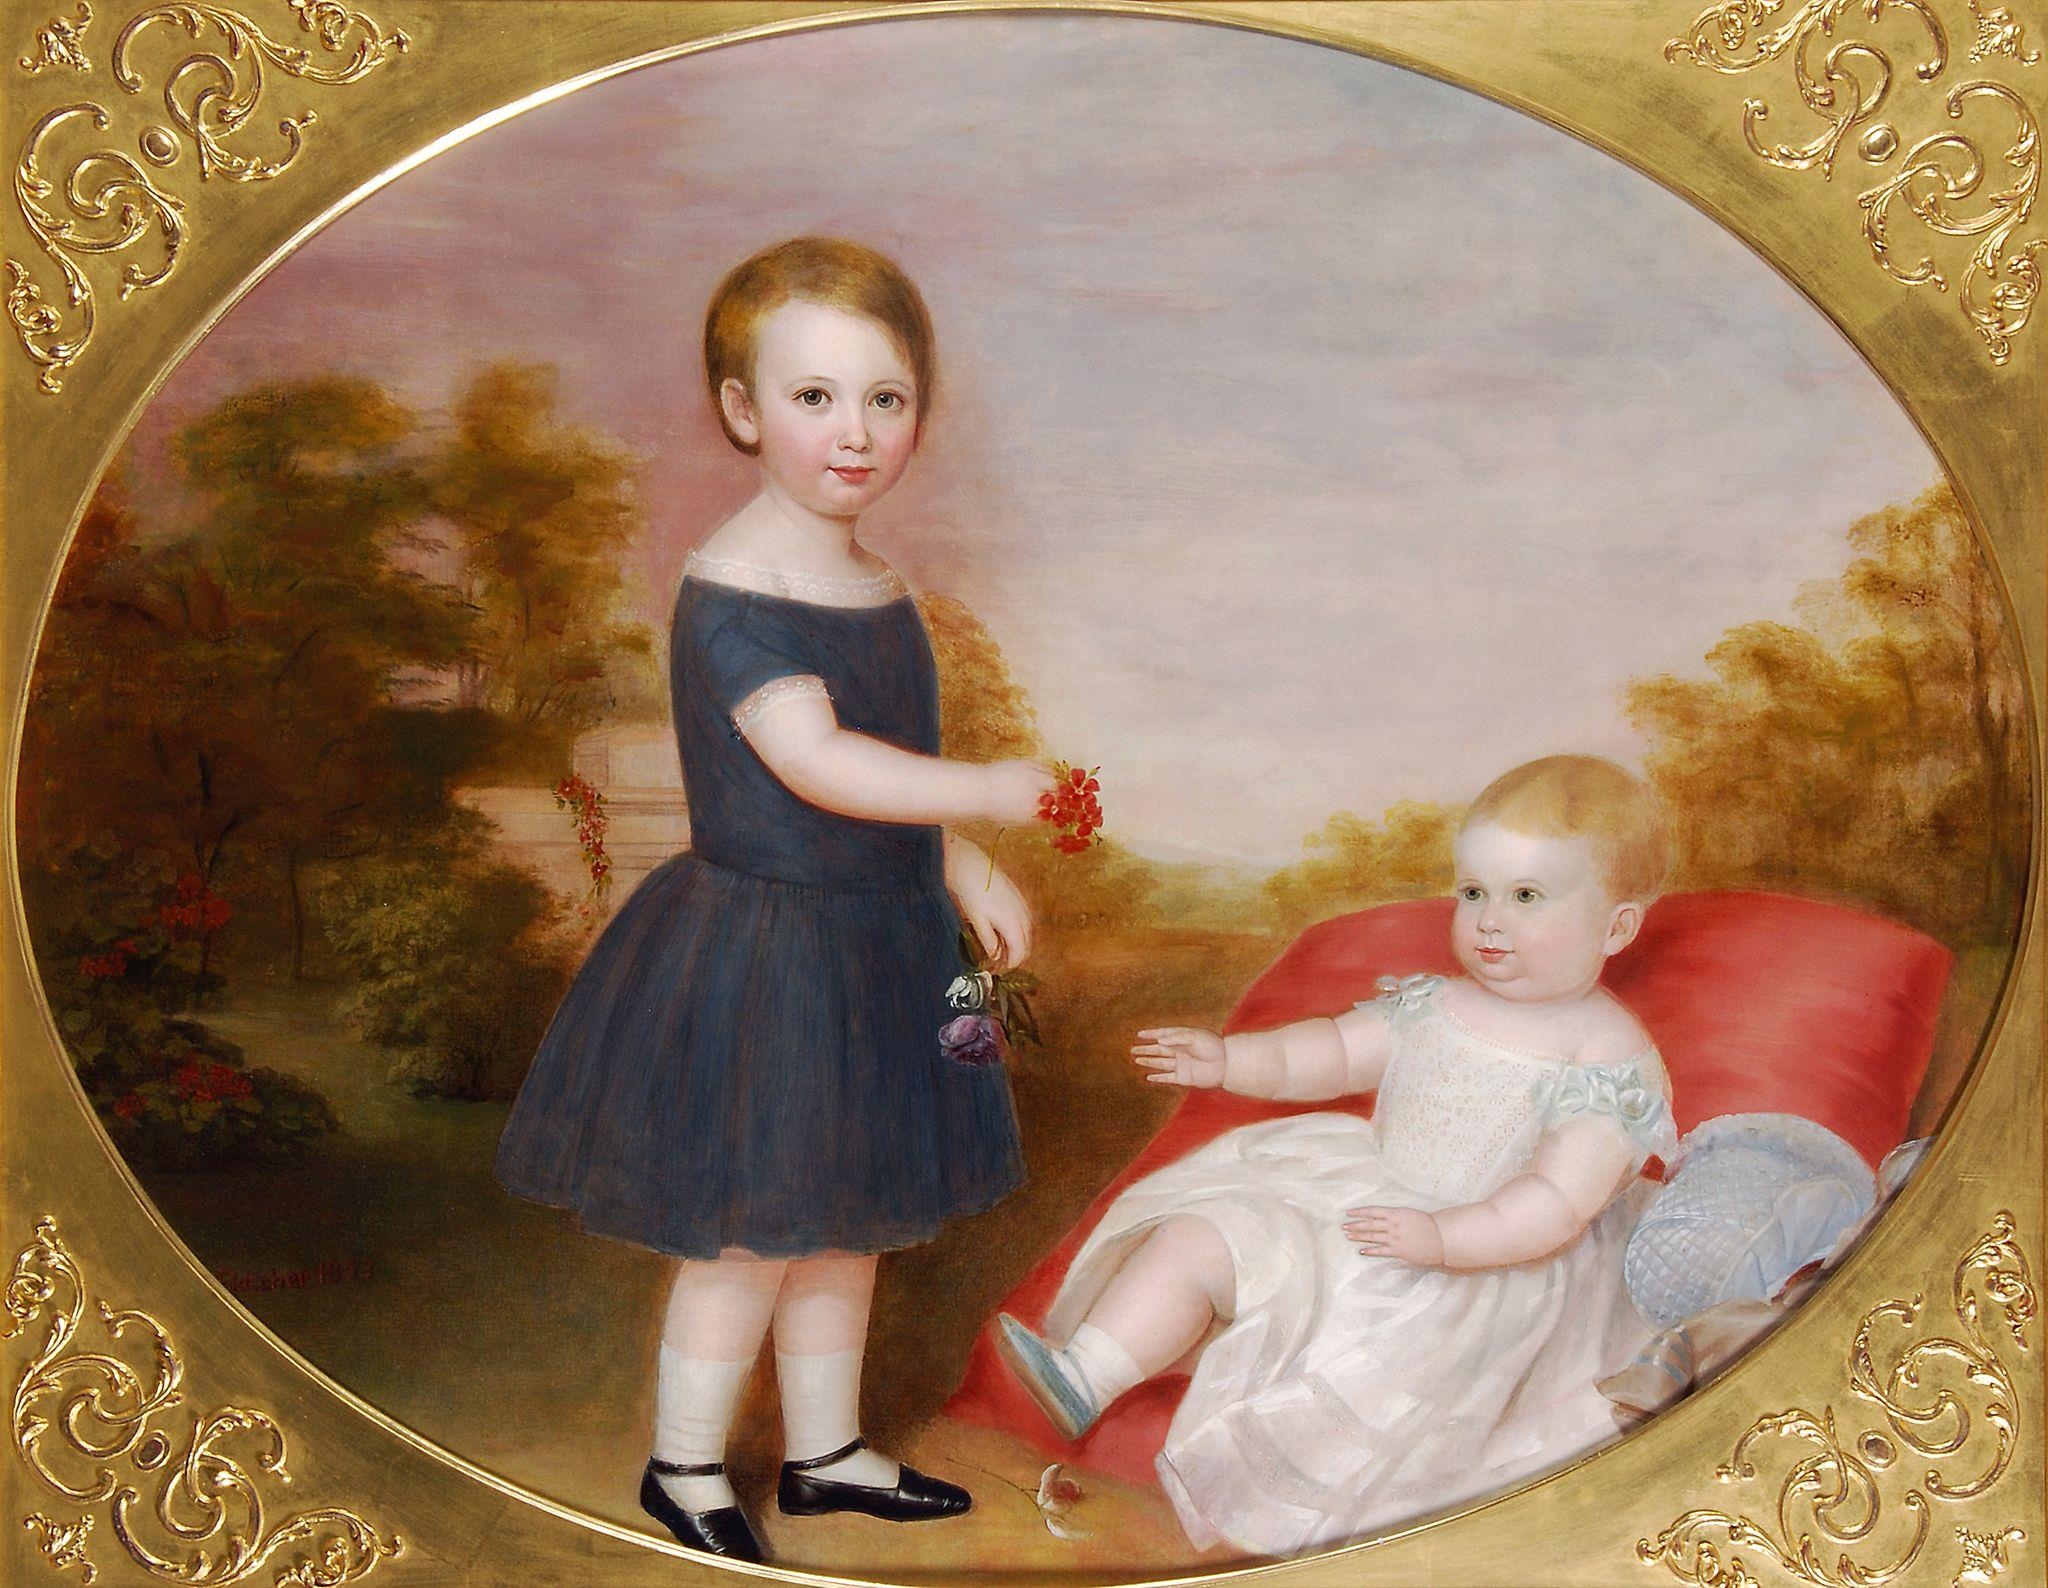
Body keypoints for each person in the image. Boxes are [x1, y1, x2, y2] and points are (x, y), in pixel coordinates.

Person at [495, 237, 1054, 1563]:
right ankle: (684, 1467)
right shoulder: (737, 591)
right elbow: (816, 763)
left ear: (920, 411)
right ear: (742, 411)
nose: (854, 432)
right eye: (814, 397)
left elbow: (876, 771)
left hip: (882, 939)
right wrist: (988, 792)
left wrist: (959, 862)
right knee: (751, 1234)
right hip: (773, 956)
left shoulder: (874, 580)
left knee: (848, 1223)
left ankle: (827, 1455)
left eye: (885, 398)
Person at [996, 755, 1677, 1557]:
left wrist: (1445, 1239)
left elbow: (1558, 1203)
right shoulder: (1437, 1001)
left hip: (1483, 1260)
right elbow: (1329, 1052)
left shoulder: (1606, 1059)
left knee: (1374, 1345)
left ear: (1617, 928)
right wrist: (1229, 1061)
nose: (1489, 922)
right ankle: (1088, 1372)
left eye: (1525, 897)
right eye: (1473, 892)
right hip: (1358, 1188)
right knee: (1206, 1231)